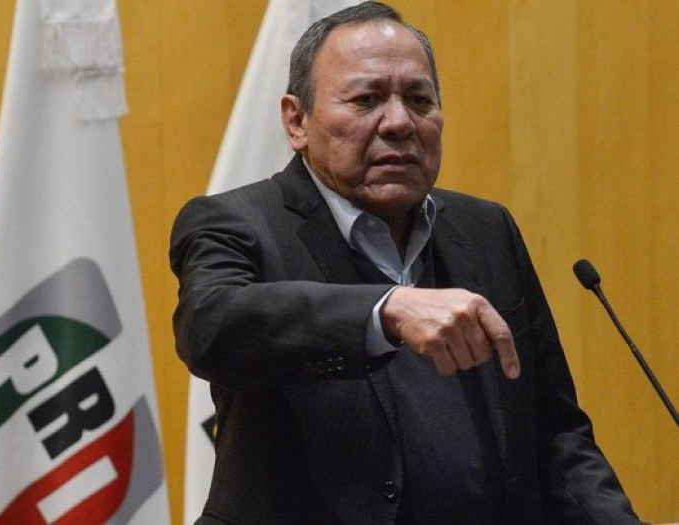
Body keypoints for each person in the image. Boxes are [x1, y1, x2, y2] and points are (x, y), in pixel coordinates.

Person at [169, 2, 639, 523]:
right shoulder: (236, 221)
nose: (398, 123)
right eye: (366, 99)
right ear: (296, 121)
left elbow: (554, 433)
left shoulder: (485, 229)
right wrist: (385, 310)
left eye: (419, 100)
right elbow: (211, 326)